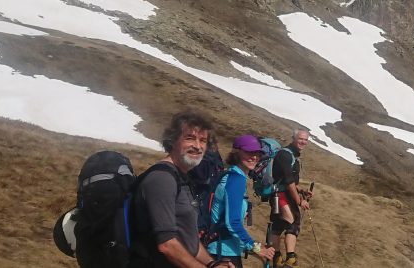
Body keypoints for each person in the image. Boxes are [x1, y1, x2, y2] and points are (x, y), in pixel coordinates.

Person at [129, 111, 233, 268]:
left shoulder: (182, 178)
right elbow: (166, 245)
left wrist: (212, 264)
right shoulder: (162, 179)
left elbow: (190, 240)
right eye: (190, 138)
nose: (197, 146)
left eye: (203, 141)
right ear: (173, 141)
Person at [207, 135, 276, 267]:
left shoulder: (233, 175)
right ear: (237, 153)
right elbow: (232, 223)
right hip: (224, 254)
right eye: (249, 152)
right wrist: (256, 248)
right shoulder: (236, 179)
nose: (254, 157)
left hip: (223, 249)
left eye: (257, 153)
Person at [269, 129, 312, 268]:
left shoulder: (293, 155)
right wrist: (300, 201)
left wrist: (302, 190)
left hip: (282, 194)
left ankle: (278, 257)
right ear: (293, 138)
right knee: (291, 222)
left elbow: (293, 182)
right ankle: (289, 258)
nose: (303, 142)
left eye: (305, 139)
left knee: (279, 224)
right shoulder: (285, 155)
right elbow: (288, 182)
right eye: (300, 139)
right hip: (279, 195)